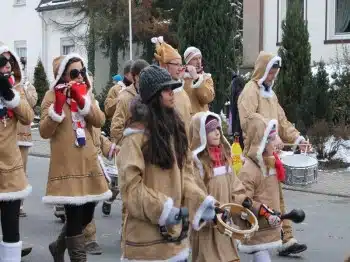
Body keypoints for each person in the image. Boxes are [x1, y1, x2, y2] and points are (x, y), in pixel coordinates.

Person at [117, 65, 218, 261]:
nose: (172, 93)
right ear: (154, 95)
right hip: (146, 244)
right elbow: (131, 189)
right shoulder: (134, 138)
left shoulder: (175, 133)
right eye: (166, 89)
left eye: (172, 88)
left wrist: (200, 202)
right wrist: (163, 209)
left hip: (175, 241)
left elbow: (186, 176)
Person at [40, 53, 111, 261]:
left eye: (82, 71)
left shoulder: (86, 93)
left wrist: (83, 102)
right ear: (63, 75)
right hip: (66, 166)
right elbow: (44, 132)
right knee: (74, 216)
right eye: (74, 72)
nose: (80, 76)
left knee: (87, 214)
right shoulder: (51, 96)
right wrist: (57, 108)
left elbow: (99, 120)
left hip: (88, 162)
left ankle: (58, 245)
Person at [238, 51, 308, 256]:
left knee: (276, 196)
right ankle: (259, 238)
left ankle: (284, 237)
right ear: (262, 70)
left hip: (270, 153)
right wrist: (267, 133)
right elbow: (248, 121)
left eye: (275, 73)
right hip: (256, 153)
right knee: (260, 199)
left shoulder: (271, 95)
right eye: (271, 73)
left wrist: (298, 139)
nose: (273, 77)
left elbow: (283, 121)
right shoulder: (250, 91)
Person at [189, 111, 249, 262]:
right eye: (210, 130)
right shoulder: (197, 163)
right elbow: (195, 193)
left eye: (217, 129)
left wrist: (243, 200)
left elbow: (235, 186)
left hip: (226, 224)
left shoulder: (225, 158)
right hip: (208, 227)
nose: (216, 133)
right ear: (201, 134)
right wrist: (211, 211)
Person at [0, 49, 34, 260]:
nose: (7, 67)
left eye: (9, 64)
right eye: (2, 64)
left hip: (10, 170)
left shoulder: (13, 90)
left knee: (12, 230)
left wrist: (10, 96)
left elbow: (28, 117)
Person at [237, 116, 284, 262]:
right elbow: (242, 200)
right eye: (270, 140)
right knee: (262, 256)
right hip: (257, 227)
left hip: (267, 226)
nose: (275, 143)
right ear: (261, 143)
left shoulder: (270, 165)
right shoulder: (249, 170)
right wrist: (264, 211)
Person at [108, 59, 149, 218]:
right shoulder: (125, 97)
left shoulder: (149, 94)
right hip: (130, 152)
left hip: (147, 152)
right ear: (134, 77)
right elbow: (116, 127)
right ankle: (127, 232)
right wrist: (125, 147)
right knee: (129, 195)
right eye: (142, 76)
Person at [152, 36, 192, 133]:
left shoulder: (181, 90)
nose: (180, 68)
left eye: (181, 64)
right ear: (165, 66)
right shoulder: (159, 94)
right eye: (176, 64)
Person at [183, 46, 215, 115]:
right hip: (185, 121)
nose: (198, 62)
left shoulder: (206, 77)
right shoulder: (181, 78)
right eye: (194, 59)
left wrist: (197, 79)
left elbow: (207, 98)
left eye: (199, 58)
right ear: (188, 62)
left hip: (200, 121)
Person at [230, 72, 245, 149]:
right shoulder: (244, 94)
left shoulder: (239, 96)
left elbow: (237, 116)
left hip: (239, 129)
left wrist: (235, 132)